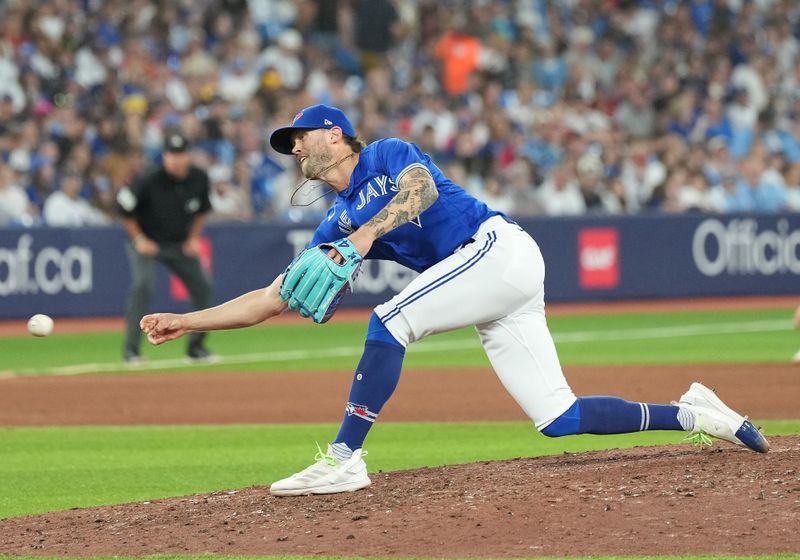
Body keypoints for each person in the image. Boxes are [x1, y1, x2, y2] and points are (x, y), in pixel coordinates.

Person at [140, 105, 769, 496]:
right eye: (289, 145)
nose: (295, 147)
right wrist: (185, 319)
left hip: (496, 249)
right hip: (491, 287)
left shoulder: (384, 155)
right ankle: (694, 415)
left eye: (300, 136)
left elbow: (419, 192)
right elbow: (271, 298)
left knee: (392, 319)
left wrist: (361, 239)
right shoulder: (329, 227)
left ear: (336, 132)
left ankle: (344, 458)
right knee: (559, 417)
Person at [117, 131, 216, 363]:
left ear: (188, 156)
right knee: (142, 286)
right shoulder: (148, 178)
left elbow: (202, 210)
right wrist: (139, 239)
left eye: (180, 154)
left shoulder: (199, 178)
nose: (176, 159)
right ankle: (131, 351)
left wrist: (193, 238)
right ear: (164, 157)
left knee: (203, 286)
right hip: (147, 242)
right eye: (171, 154)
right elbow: (124, 209)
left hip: (178, 243)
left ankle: (196, 348)